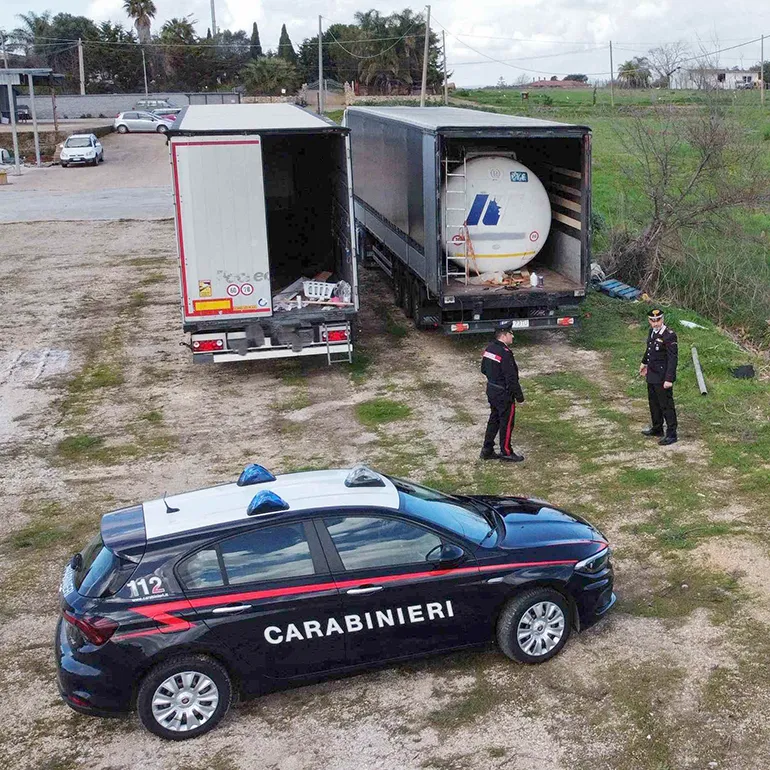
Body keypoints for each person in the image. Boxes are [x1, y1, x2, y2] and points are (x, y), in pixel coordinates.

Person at [480, 320, 525, 462]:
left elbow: (483, 369)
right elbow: (511, 378)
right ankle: (506, 451)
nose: (513, 337)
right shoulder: (505, 353)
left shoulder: (489, 349)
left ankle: (487, 449)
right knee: (506, 422)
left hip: (492, 390)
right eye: (511, 334)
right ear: (504, 335)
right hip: (504, 394)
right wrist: (519, 396)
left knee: (494, 419)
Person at [639, 308, 678, 445]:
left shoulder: (669, 335)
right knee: (653, 403)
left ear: (663, 319)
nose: (655, 324)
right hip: (652, 374)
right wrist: (644, 363)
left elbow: (672, 359)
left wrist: (669, 379)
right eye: (652, 321)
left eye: (658, 320)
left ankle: (672, 434)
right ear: (649, 321)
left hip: (662, 376)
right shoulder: (652, 332)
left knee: (666, 404)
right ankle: (657, 428)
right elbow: (649, 349)